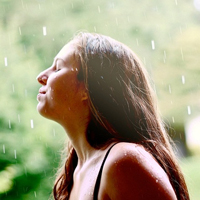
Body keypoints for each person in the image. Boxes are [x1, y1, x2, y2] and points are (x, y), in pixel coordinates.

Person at [36, 32, 190, 200]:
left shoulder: (124, 162)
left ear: (88, 87)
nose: (41, 77)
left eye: (58, 68)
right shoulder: (75, 173)